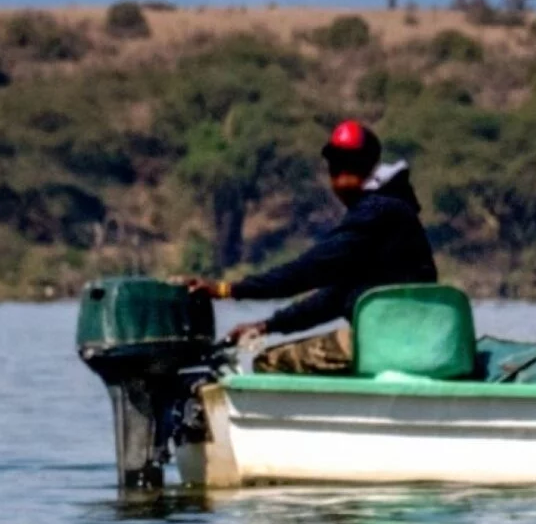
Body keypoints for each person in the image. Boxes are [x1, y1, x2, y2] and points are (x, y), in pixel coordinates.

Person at [178, 120, 437, 373]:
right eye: (336, 167)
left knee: (269, 362)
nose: (337, 176)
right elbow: (334, 298)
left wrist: (226, 289)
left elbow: (307, 271)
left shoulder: (376, 211)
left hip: (386, 341)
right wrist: (266, 326)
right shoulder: (393, 210)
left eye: (342, 167)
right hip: (414, 336)